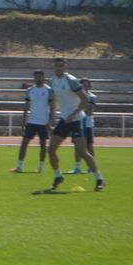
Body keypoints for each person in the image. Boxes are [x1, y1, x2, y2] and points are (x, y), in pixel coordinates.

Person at [47, 57, 104, 191]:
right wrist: (51, 119)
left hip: (77, 119)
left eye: (61, 66)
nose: (58, 68)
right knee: (51, 149)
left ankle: (99, 179)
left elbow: (85, 99)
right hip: (64, 119)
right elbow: (53, 101)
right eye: (56, 66)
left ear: (65, 66)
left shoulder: (71, 80)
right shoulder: (54, 81)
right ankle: (58, 176)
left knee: (82, 152)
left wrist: (73, 114)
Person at [11, 70, 53, 173]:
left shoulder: (49, 90)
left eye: (39, 77)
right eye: (36, 77)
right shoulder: (30, 90)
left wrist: (50, 121)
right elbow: (26, 106)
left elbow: (52, 107)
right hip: (32, 121)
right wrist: (24, 120)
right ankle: (19, 166)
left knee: (43, 145)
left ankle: (40, 167)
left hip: (43, 122)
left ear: (43, 78)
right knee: (24, 143)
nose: (37, 79)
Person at [69, 77, 97, 174]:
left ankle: (91, 168)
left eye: (86, 85)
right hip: (78, 122)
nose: (84, 87)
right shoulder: (76, 96)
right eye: (83, 85)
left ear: (89, 86)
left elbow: (89, 111)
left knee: (89, 146)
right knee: (77, 146)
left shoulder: (92, 96)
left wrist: (81, 107)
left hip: (88, 124)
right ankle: (77, 167)